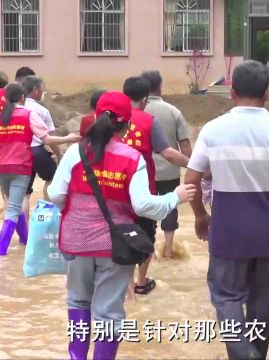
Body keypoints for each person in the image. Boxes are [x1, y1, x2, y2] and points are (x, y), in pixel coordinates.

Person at [48, 92, 196, 360]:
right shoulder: (131, 158)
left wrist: (78, 214)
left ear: (95, 118)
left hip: (74, 241)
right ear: (127, 126)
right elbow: (142, 206)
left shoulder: (75, 152)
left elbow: (56, 195)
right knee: (108, 312)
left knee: (78, 302)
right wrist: (175, 197)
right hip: (113, 247)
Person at [184, 60, 269, 359]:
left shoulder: (213, 130)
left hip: (228, 233)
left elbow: (191, 180)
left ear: (231, 92)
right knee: (261, 305)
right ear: (267, 93)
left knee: (226, 298)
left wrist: (201, 215)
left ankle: (244, 355)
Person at [0, 83, 80, 256]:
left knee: (15, 204)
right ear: (22, 98)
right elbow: (47, 140)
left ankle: (25, 241)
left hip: (0, 168)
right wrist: (68, 138)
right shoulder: (29, 115)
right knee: (13, 209)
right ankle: (0, 251)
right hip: (20, 167)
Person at [122, 76, 189, 295]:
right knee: (144, 235)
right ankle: (140, 282)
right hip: (143, 188)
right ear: (144, 100)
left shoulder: (111, 118)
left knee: (121, 234)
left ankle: (126, 284)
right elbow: (168, 153)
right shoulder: (148, 121)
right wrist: (194, 165)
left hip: (113, 186)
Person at [141, 70, 193, 259]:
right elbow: (184, 143)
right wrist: (192, 166)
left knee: (147, 210)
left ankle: (149, 252)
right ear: (160, 86)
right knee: (171, 207)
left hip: (144, 172)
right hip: (170, 171)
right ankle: (169, 250)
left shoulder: (138, 113)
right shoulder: (173, 112)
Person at [0, 66, 37, 222]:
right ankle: (16, 235)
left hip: (0, 151)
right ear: (23, 80)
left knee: (8, 196)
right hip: (21, 153)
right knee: (22, 196)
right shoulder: (24, 101)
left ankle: (15, 227)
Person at [22, 75, 62, 205]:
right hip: (37, 152)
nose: (42, 92)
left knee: (25, 193)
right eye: (41, 89)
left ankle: (23, 225)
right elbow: (50, 138)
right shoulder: (42, 110)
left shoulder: (14, 110)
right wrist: (59, 155)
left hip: (21, 153)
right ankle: (48, 214)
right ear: (34, 90)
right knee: (51, 179)